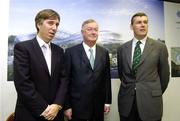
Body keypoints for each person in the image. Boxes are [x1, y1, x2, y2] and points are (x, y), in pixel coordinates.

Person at [13, 9, 68, 121]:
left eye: (57, 24)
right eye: (50, 23)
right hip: (30, 114)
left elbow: (64, 80)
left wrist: (57, 105)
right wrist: (45, 109)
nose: (54, 28)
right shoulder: (22, 48)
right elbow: (22, 83)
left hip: (56, 114)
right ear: (39, 24)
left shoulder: (59, 51)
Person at [117, 12, 170, 121]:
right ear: (131, 26)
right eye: (139, 22)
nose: (143, 25)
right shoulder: (122, 49)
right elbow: (121, 74)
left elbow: (164, 77)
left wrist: (152, 91)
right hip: (127, 103)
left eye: (145, 22)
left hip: (150, 102)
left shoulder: (160, 47)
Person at [64, 19, 112, 121]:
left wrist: (107, 102)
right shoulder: (70, 52)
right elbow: (65, 81)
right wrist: (67, 106)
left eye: (96, 29)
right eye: (89, 29)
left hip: (98, 107)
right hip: (77, 108)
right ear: (82, 32)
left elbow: (106, 79)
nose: (93, 32)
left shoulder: (104, 53)